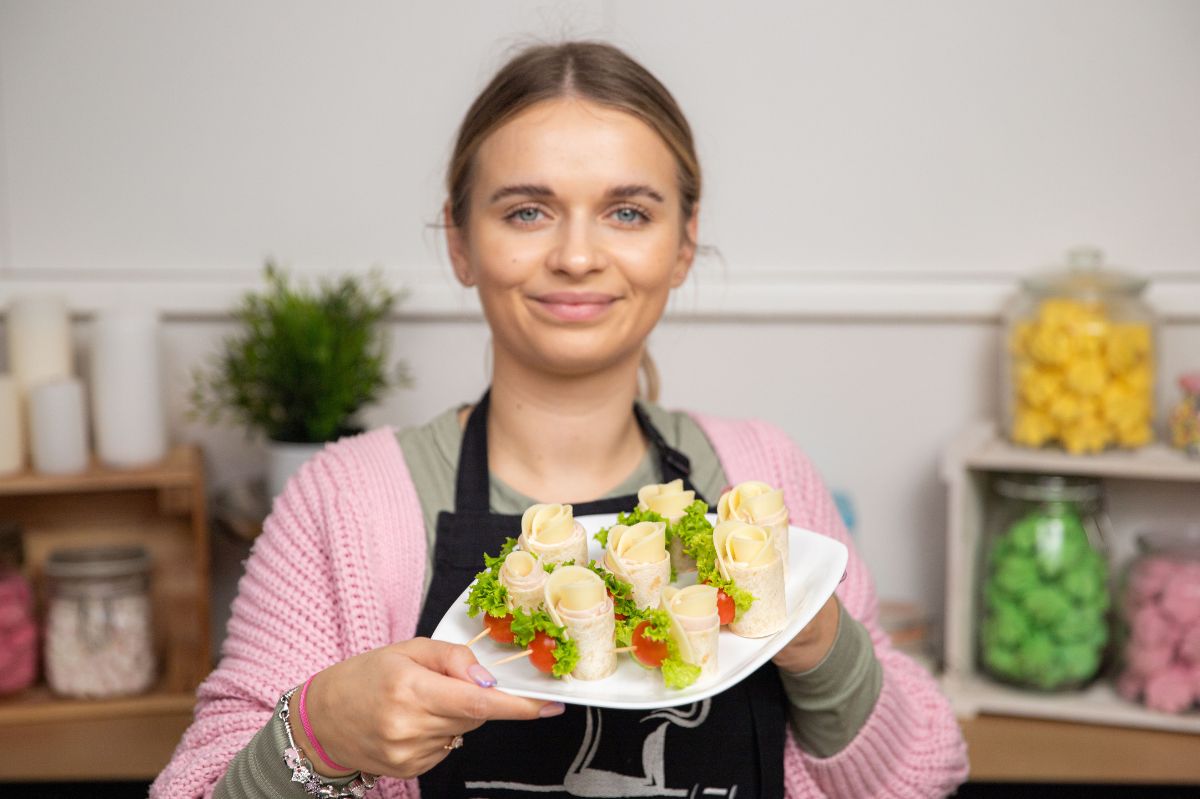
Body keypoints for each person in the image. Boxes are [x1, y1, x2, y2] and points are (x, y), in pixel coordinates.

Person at [152, 41, 968, 799]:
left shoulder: (762, 470)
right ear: (460, 242)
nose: (577, 256)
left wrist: (822, 642)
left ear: (684, 244)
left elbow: (921, 770)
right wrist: (320, 732)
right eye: (527, 211)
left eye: (628, 212)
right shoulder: (346, 502)